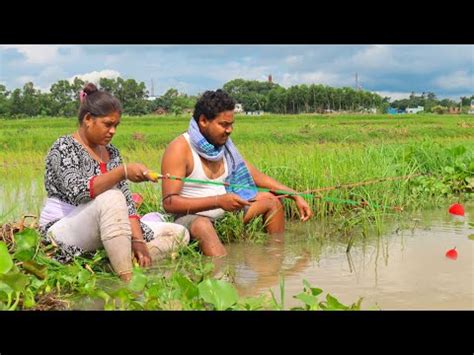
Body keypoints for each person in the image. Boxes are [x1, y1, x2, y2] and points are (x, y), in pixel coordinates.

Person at [39, 83, 189, 282]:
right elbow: (78, 192)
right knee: (111, 196)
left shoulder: (112, 153)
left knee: (179, 233)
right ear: (88, 119)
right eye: (108, 124)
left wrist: (138, 240)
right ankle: (128, 281)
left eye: (116, 126)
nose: (113, 131)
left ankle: (120, 262)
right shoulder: (64, 147)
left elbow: (127, 202)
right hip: (67, 228)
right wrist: (122, 172)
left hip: (110, 225)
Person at [160, 89, 313, 257]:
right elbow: (169, 203)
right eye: (224, 125)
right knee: (203, 225)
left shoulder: (223, 146)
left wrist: (294, 194)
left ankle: (275, 260)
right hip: (193, 220)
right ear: (203, 121)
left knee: (271, 201)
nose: (229, 130)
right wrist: (219, 201)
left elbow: (256, 176)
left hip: (225, 213)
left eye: (231, 124)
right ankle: (223, 272)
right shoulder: (180, 149)